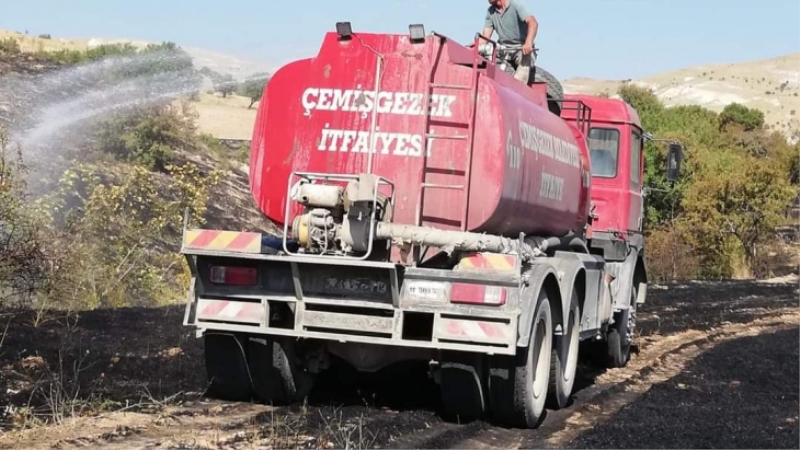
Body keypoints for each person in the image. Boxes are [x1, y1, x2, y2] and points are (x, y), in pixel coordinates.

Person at [481, 0, 539, 83]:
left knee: (524, 62)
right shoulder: (490, 11)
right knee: (485, 55)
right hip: (504, 49)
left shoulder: (516, 4)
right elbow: (485, 37)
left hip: (521, 48)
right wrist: (474, 47)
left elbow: (533, 23)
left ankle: (519, 85)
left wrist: (528, 42)